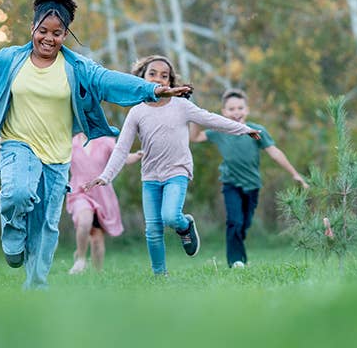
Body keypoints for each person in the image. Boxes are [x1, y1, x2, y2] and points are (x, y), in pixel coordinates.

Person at [0, 0, 191, 289]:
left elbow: (111, 80)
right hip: (16, 145)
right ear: (33, 28)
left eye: (57, 33)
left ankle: (35, 284)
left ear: (66, 34)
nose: (49, 38)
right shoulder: (11, 60)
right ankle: (12, 233)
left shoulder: (77, 68)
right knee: (16, 193)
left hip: (58, 156)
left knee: (46, 226)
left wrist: (152, 90)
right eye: (43, 31)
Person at [85, 55, 261, 277]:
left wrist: (243, 129)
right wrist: (106, 176)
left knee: (170, 216)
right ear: (142, 78)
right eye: (152, 74)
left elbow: (212, 119)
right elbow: (121, 149)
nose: (158, 79)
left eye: (164, 76)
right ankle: (160, 276)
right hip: (150, 176)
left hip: (177, 171)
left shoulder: (182, 106)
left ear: (170, 82)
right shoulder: (137, 111)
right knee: (153, 230)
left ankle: (185, 225)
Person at [189, 88, 308, 268]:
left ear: (247, 110)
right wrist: (195, 117)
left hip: (252, 185)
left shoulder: (257, 130)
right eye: (231, 109)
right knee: (234, 221)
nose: (236, 112)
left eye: (240, 108)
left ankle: (240, 258)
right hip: (230, 183)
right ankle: (236, 261)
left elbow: (274, 153)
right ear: (224, 112)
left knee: (244, 224)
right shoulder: (220, 130)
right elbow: (195, 137)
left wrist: (294, 174)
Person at [66, 133, 142, 274]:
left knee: (97, 238)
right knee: (84, 221)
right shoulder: (71, 144)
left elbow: (121, 158)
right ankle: (80, 259)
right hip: (80, 192)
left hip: (102, 195)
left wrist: (137, 156)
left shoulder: (106, 141)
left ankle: (97, 273)